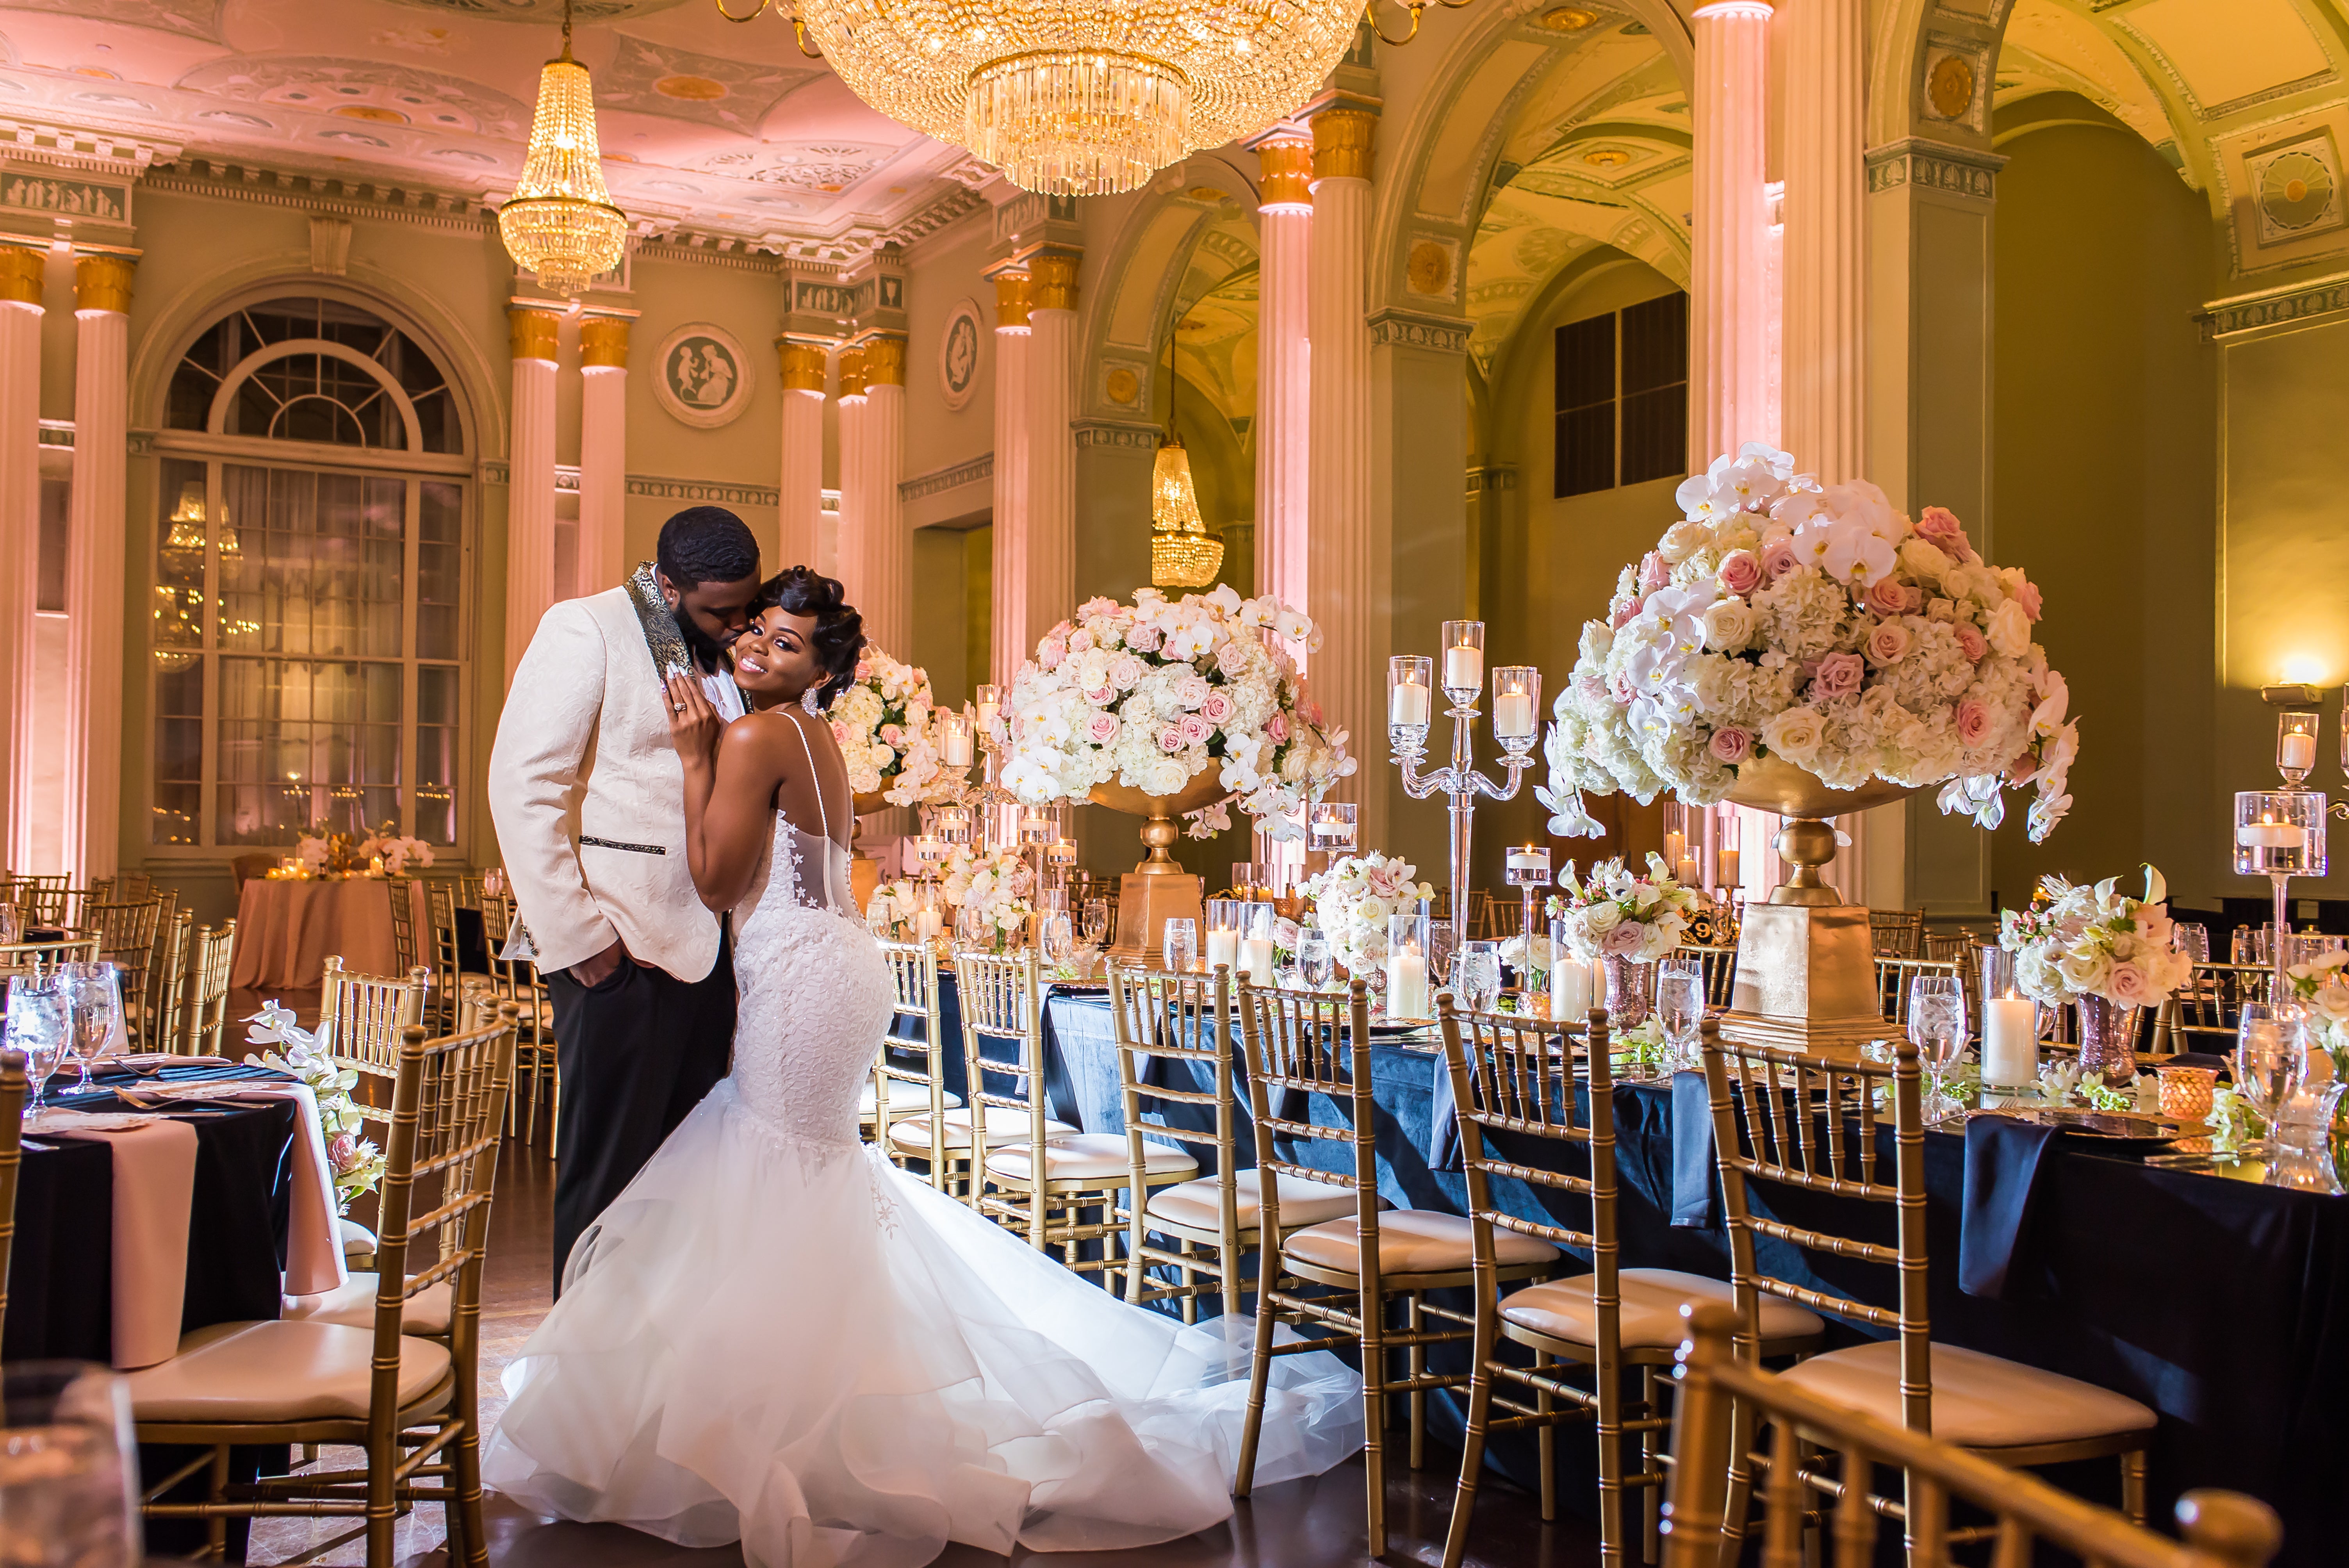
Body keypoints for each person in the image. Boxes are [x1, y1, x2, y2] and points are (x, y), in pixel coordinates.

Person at [483, 569, 1360, 1567]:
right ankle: (801, 1401)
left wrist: (692, 755)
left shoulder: (757, 735)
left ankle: (783, 1423)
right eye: (757, 630)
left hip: (801, 982)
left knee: (775, 1172)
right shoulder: (812, 735)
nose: (756, 648)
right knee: (800, 1180)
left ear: (823, 671)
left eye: (784, 644)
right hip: (832, 969)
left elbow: (718, 879)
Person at [486, 506, 761, 1293]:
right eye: (721, 611)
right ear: (667, 587)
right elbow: (522, 787)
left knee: (685, 1189)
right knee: (606, 1188)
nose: (738, 625)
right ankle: (578, 1363)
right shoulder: (586, 629)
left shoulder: (727, 648)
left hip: (716, 953)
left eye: (745, 606)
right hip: (622, 955)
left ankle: (660, 1359)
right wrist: (585, 944)